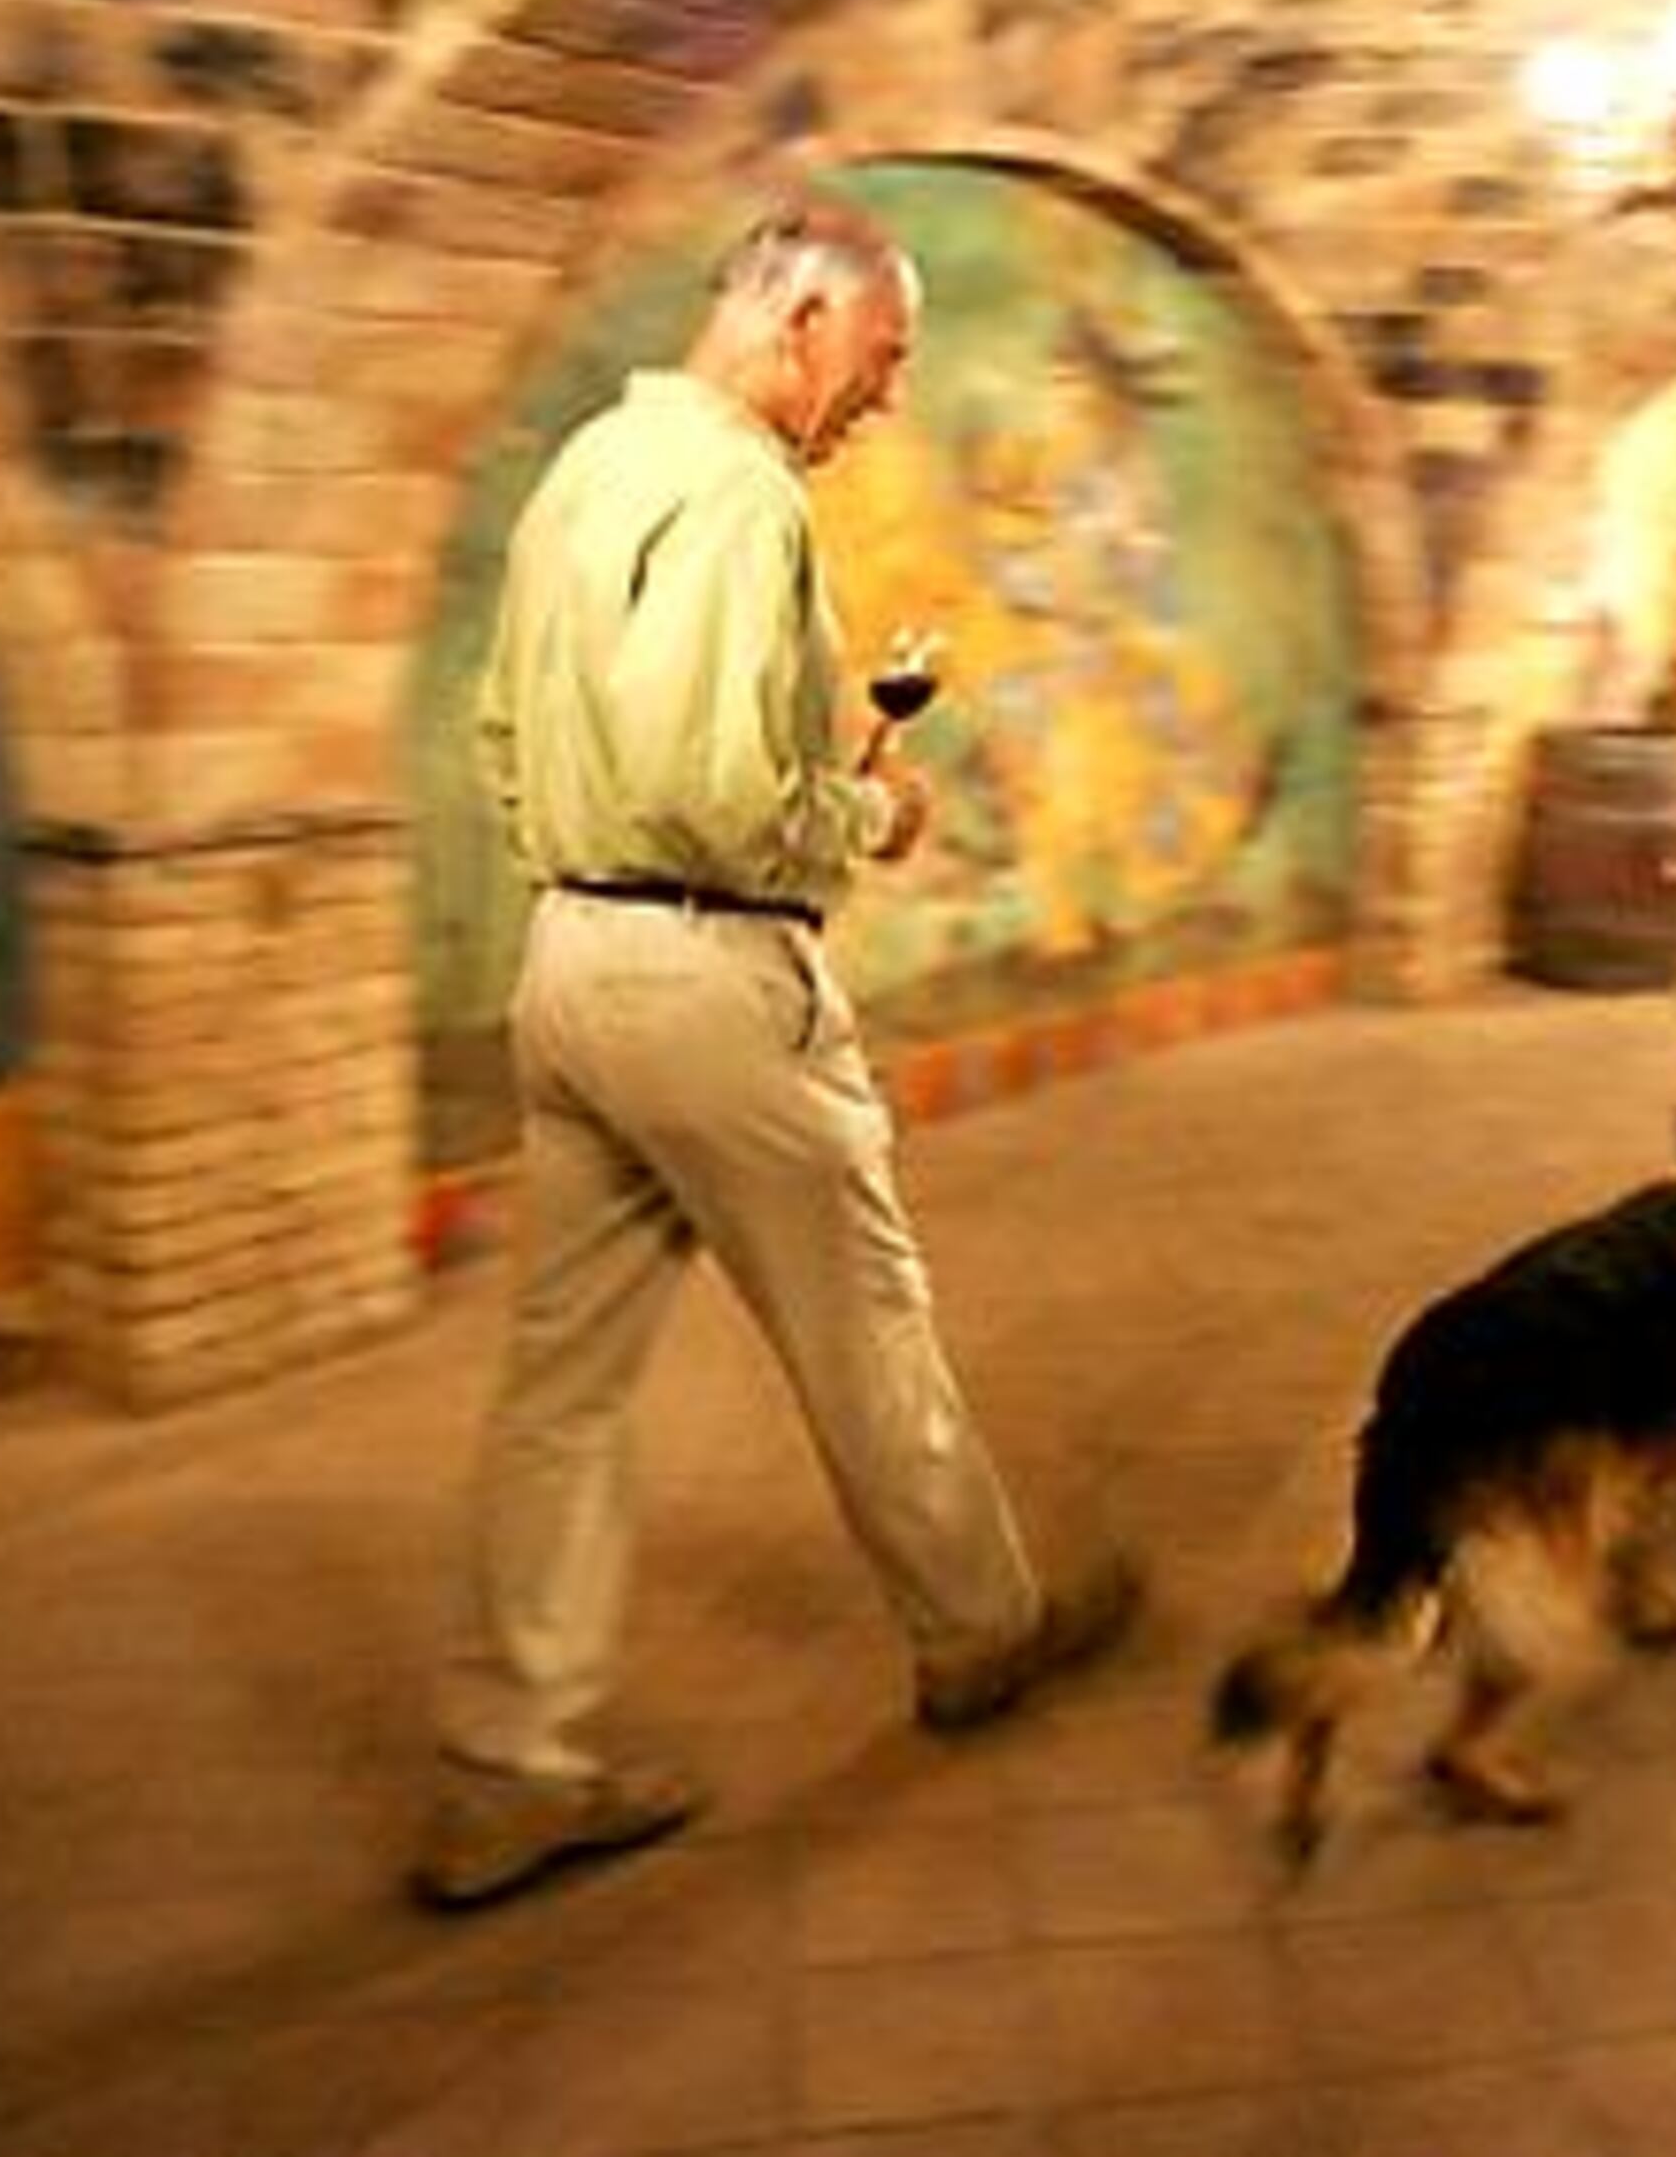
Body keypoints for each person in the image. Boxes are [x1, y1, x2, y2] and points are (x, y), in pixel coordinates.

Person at [416, 190, 1139, 1911]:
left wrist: (593, 865)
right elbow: (716, 791)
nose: (879, 397)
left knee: (562, 1387)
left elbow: (501, 735)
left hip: (570, 964)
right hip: (709, 982)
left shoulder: (588, 468)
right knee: (865, 1321)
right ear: (799, 321)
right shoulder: (741, 491)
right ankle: (979, 1632)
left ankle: (507, 1764)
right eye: (879, 360)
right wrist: (862, 820)